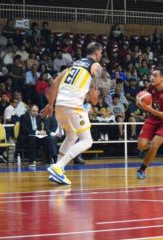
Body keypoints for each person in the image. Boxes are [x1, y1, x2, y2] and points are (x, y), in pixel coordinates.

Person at [41, 42, 102, 185]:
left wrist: (50, 104)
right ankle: (58, 166)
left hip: (60, 105)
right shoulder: (96, 66)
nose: (101, 56)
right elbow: (94, 96)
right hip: (73, 105)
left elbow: (55, 82)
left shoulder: (73, 64)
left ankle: (57, 171)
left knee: (71, 136)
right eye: (101, 53)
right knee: (87, 141)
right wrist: (94, 100)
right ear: (97, 53)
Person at [135, 68, 163, 179]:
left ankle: (142, 169)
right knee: (141, 145)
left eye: (155, 75)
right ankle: (146, 148)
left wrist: (150, 109)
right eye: (151, 75)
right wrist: (140, 101)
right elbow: (147, 101)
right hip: (153, 118)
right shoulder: (151, 87)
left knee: (154, 145)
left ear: (162, 77)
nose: (151, 77)